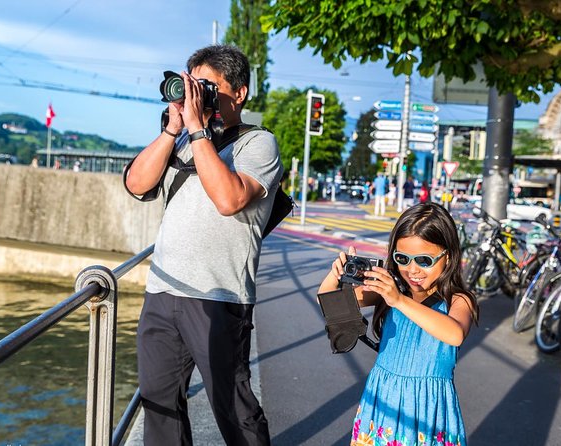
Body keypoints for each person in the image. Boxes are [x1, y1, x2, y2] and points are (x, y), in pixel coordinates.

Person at [124, 45, 282, 446]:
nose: (197, 94)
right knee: (159, 406)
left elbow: (229, 200)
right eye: (193, 84)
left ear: (240, 92)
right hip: (162, 292)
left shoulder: (258, 144)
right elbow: (136, 184)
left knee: (234, 409)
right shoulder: (183, 140)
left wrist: (197, 129)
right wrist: (173, 129)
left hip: (218, 297)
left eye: (207, 86)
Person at [318, 202, 478, 446]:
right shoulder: (391, 290)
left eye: (424, 260)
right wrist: (336, 275)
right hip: (383, 402)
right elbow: (331, 304)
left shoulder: (458, 300)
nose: (412, 270)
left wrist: (399, 300)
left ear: (448, 256)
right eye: (402, 258)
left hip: (427, 411)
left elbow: (454, 334)